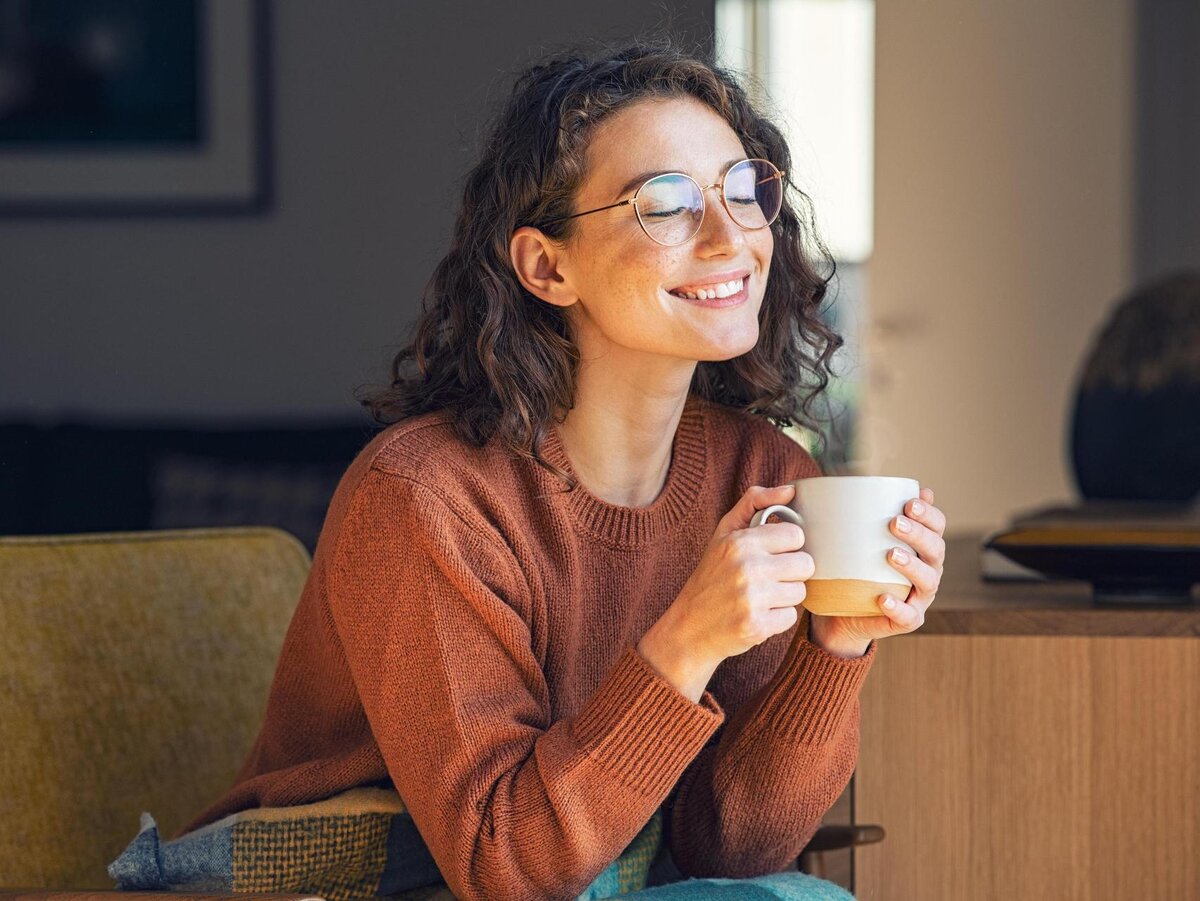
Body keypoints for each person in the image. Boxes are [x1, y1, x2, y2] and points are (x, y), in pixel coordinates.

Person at [179, 38, 947, 900]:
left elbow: (726, 849)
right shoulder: (427, 498)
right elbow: (500, 865)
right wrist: (685, 641)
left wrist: (833, 647)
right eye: (665, 203)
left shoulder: (762, 473)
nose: (731, 235)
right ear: (548, 266)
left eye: (744, 189)